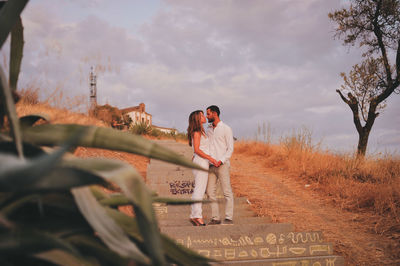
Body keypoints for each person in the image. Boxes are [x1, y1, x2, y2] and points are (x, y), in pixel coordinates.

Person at [187, 110, 219, 226]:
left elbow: (198, 149)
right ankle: (197, 216)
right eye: (201, 115)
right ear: (197, 119)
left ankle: (194, 215)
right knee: (199, 190)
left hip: (201, 161)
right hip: (201, 162)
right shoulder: (197, 132)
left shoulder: (201, 131)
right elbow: (197, 149)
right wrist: (211, 158)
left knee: (199, 189)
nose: (204, 116)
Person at [205, 105, 234, 225]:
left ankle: (228, 217)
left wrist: (221, 160)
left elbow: (230, 149)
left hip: (222, 165)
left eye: (208, 114)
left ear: (215, 114)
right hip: (210, 166)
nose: (207, 116)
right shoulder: (208, 130)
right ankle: (215, 218)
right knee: (210, 192)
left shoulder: (226, 128)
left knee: (226, 192)